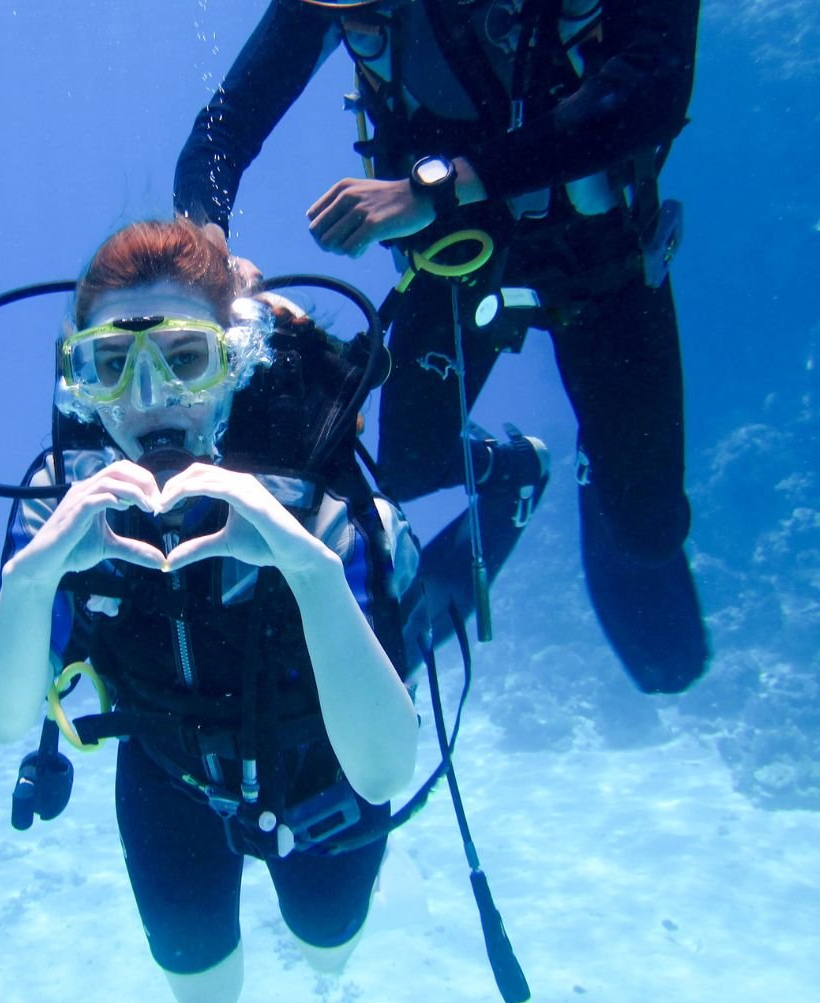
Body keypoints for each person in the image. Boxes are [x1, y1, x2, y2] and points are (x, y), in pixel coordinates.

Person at [173, 0, 709, 694]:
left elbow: (651, 92)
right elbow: (224, 126)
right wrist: (204, 246)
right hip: (456, 258)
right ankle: (512, 469)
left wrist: (440, 185)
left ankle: (601, 471)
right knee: (408, 464)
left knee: (647, 533)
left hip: (598, 259)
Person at [0, 219, 423, 1003]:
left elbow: (384, 774)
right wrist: (33, 577)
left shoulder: (311, 496)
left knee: (328, 951)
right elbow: (5, 720)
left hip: (324, 774)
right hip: (166, 773)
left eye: (184, 360)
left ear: (235, 361)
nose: (149, 401)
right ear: (81, 381)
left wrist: (310, 570)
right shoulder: (57, 504)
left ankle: (496, 496)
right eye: (113, 365)